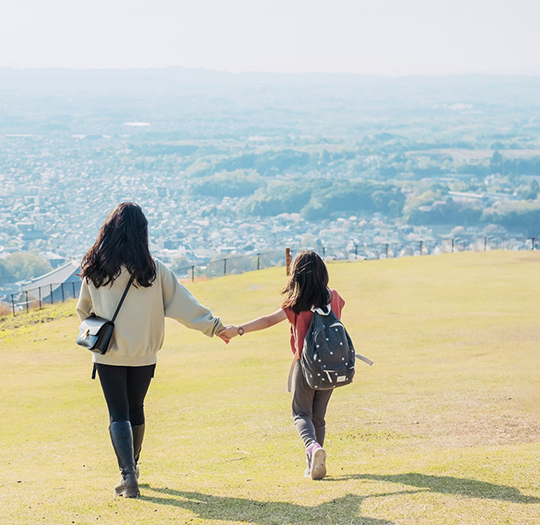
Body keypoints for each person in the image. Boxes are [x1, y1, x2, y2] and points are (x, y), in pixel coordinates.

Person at [76, 202, 233, 498]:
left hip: (107, 353)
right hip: (145, 354)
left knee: (117, 414)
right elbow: (186, 306)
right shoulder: (153, 271)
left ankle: (128, 477)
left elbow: (83, 310)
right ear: (141, 234)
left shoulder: (95, 269)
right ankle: (133, 469)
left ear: (109, 232)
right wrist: (216, 327)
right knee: (136, 410)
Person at [220, 249, 344, 480]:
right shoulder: (334, 297)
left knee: (300, 413)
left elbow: (268, 320)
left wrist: (238, 330)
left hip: (305, 366)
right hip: (331, 367)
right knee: (318, 417)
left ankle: (312, 448)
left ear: (297, 276)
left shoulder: (295, 305)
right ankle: (314, 463)